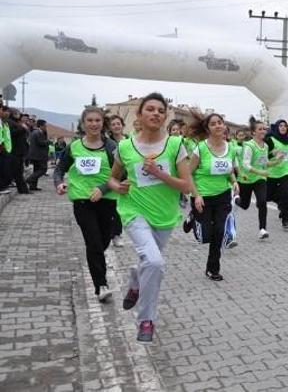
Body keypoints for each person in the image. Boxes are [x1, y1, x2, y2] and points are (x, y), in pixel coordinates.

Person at [107, 93, 192, 343]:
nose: (156, 113)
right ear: (140, 115)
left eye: (161, 110)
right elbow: (112, 177)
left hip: (164, 215)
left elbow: (186, 185)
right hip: (134, 211)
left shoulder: (175, 145)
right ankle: (146, 319)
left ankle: (135, 279)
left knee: (147, 263)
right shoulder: (125, 147)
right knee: (154, 263)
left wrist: (159, 173)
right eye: (150, 109)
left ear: (165, 117)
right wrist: (115, 186)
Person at [54, 107, 118, 303]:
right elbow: (59, 170)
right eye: (89, 120)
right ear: (83, 124)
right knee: (94, 242)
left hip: (107, 201)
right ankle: (101, 285)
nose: (93, 124)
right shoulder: (73, 147)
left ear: (102, 123)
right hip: (83, 201)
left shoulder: (112, 147)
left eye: (97, 120)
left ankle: (99, 274)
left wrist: (102, 188)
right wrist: (60, 183)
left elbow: (120, 174)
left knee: (103, 241)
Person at [185, 112, 239, 281]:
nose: (217, 125)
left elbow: (229, 168)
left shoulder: (231, 148)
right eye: (213, 123)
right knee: (205, 236)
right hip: (202, 196)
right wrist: (196, 195)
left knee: (219, 232)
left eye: (220, 122)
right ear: (208, 129)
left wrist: (234, 181)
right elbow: (188, 173)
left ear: (224, 126)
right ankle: (193, 216)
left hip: (222, 195)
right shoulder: (200, 148)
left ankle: (212, 269)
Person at [236, 118, 278, 239]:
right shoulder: (249, 145)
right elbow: (245, 165)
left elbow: (264, 163)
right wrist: (260, 171)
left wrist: (277, 160)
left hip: (259, 178)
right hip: (246, 179)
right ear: (253, 132)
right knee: (244, 205)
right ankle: (236, 200)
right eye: (260, 129)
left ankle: (262, 229)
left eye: (264, 129)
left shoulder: (265, 146)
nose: (263, 131)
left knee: (262, 201)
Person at [265, 119, 288, 229]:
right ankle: (280, 203)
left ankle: (286, 220)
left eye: (285, 126)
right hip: (271, 172)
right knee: (267, 196)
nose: (283, 127)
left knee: (287, 195)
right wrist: (273, 154)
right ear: (277, 127)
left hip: (285, 171)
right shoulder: (270, 139)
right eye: (281, 125)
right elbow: (262, 156)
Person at [107, 115, 128, 247]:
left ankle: (117, 234)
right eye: (113, 124)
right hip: (111, 178)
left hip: (126, 178)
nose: (116, 126)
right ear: (110, 127)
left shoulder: (129, 141)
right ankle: (112, 234)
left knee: (121, 208)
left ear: (122, 125)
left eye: (118, 124)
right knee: (111, 207)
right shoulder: (107, 142)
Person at [8, 109, 30, 194]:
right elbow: (12, 133)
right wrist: (23, 129)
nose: (19, 115)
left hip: (20, 151)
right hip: (15, 151)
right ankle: (23, 190)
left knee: (19, 172)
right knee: (17, 172)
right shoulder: (10, 122)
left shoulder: (17, 123)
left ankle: (23, 189)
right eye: (16, 113)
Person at [25, 119, 51, 191]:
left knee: (36, 169)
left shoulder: (39, 132)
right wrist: (48, 141)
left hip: (37, 155)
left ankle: (33, 186)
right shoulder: (37, 133)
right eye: (45, 126)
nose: (46, 127)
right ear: (40, 126)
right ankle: (29, 179)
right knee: (43, 169)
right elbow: (41, 143)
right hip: (38, 155)